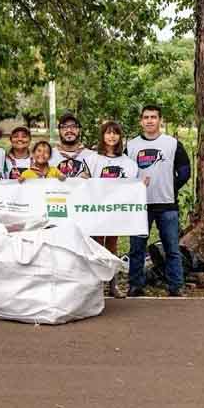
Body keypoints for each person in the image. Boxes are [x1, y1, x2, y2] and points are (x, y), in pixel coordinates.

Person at [126, 105, 191, 297]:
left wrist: (171, 186)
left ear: (160, 120)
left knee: (172, 248)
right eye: (146, 117)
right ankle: (135, 285)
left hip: (167, 204)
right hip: (139, 206)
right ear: (141, 121)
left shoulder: (172, 144)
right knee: (136, 248)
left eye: (153, 117)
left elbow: (185, 170)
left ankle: (176, 286)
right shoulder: (131, 146)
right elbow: (123, 174)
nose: (149, 120)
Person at [87, 121, 141, 299]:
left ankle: (113, 284)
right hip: (95, 208)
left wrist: (140, 185)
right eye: (108, 133)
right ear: (103, 136)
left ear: (120, 137)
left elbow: (132, 185)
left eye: (115, 133)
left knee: (111, 245)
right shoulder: (93, 158)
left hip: (114, 210)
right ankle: (94, 285)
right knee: (95, 245)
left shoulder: (128, 163)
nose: (112, 136)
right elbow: (85, 179)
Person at [50, 112, 93, 178]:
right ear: (59, 131)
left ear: (79, 130)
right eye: (64, 127)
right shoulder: (49, 156)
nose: (69, 130)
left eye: (73, 126)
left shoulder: (92, 156)